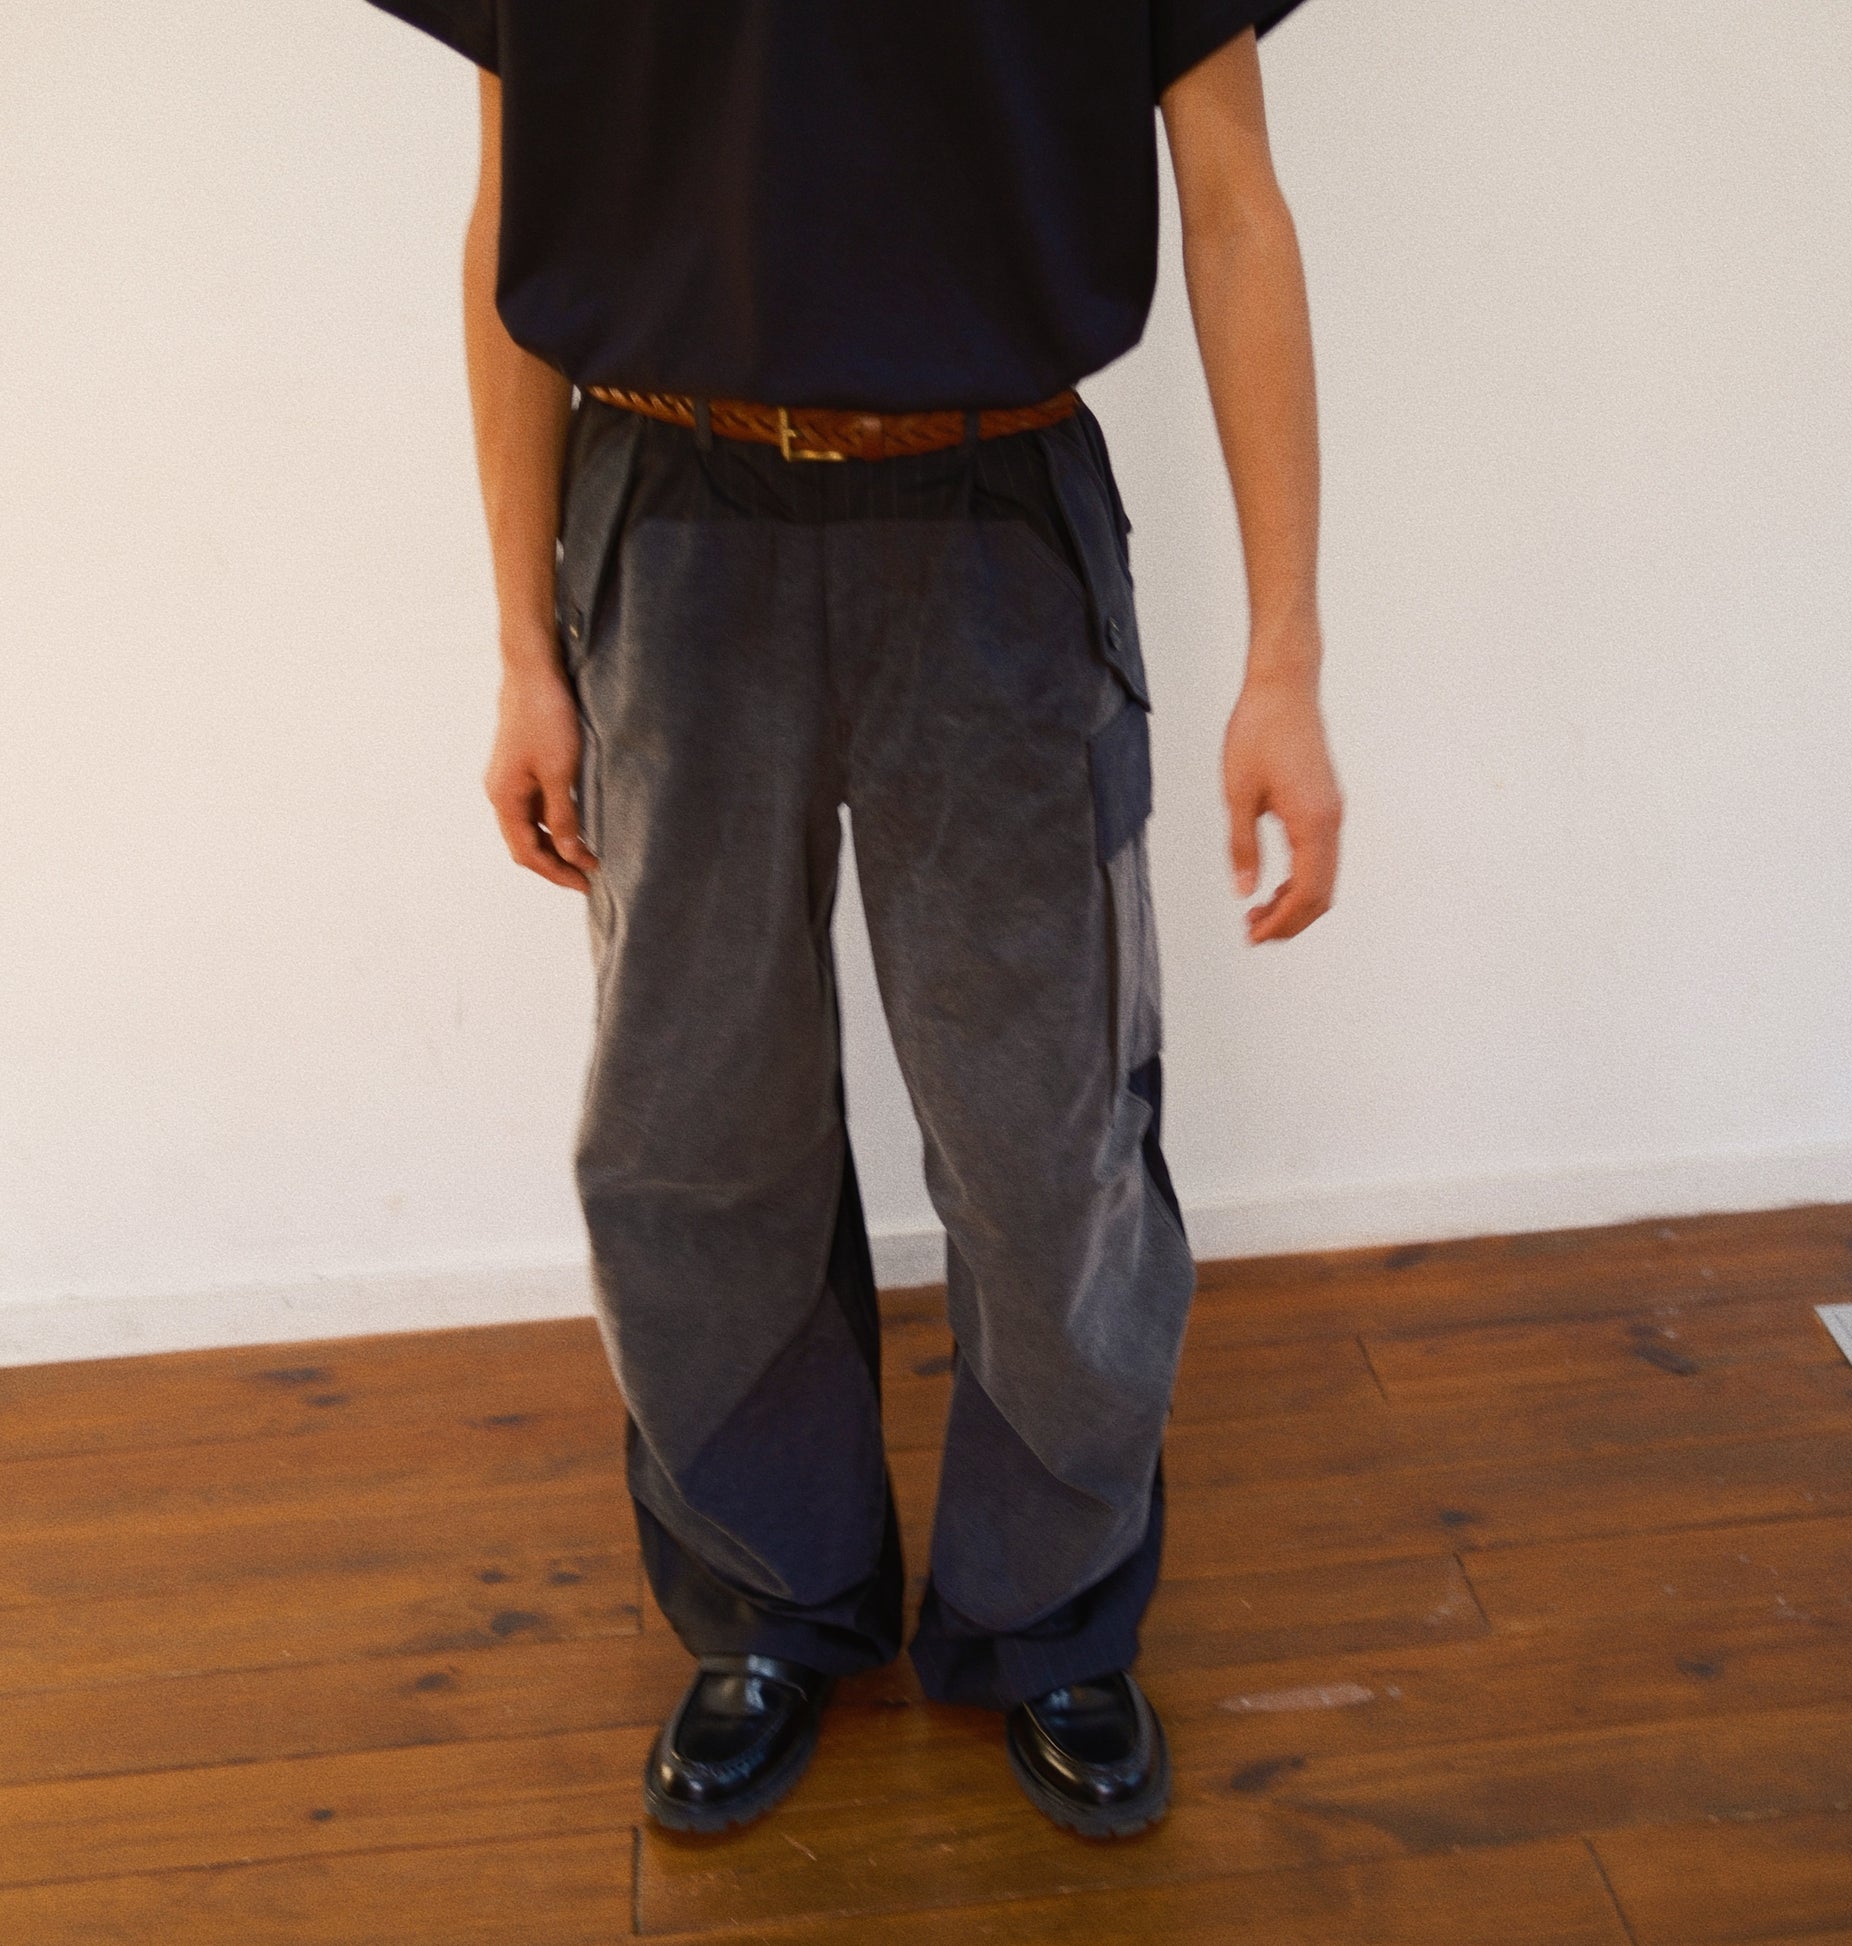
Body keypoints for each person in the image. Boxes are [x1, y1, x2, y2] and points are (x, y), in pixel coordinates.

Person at [363, 0, 1341, 1840]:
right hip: (665, 512)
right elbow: (515, 206)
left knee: (1046, 1130)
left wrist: (1282, 653)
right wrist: (520, 647)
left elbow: (1233, 203)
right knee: (689, 1124)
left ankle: (1047, 1610)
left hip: (992, 511)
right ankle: (770, 1601)